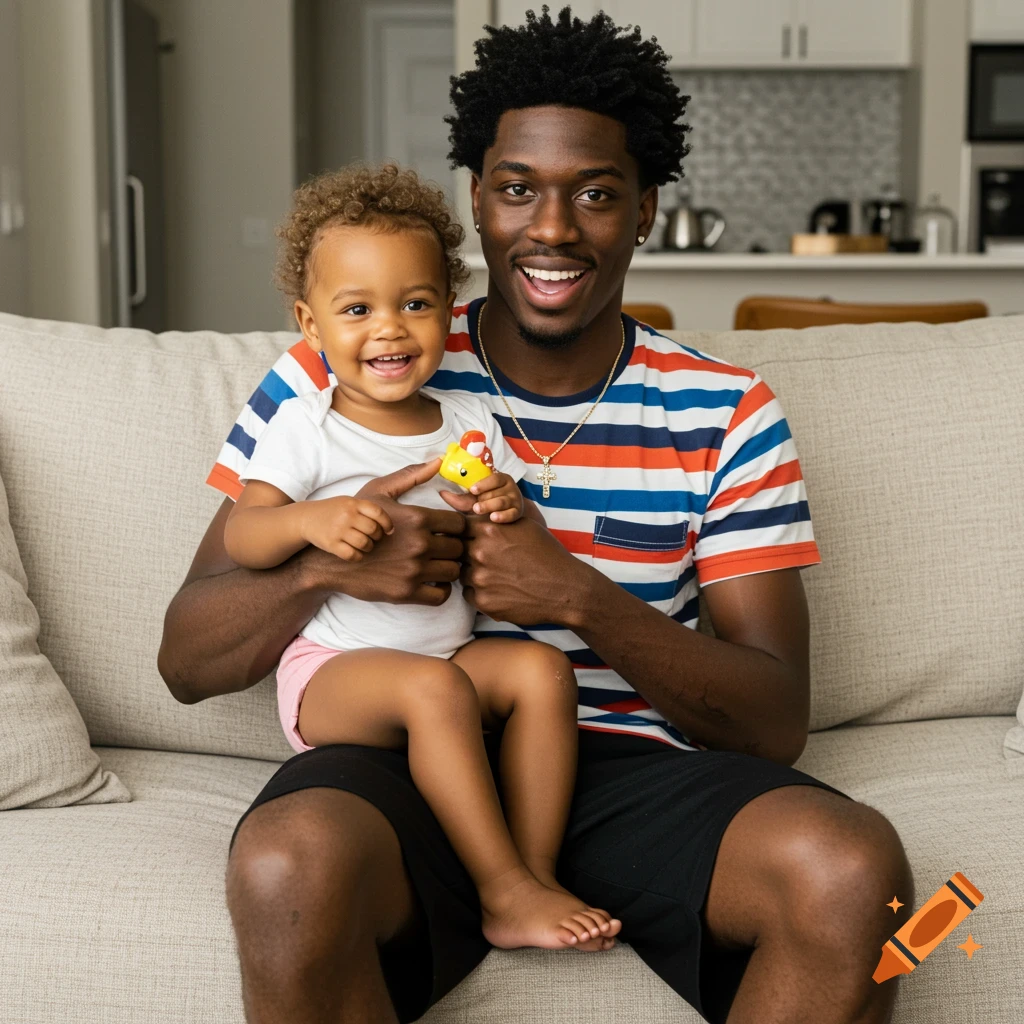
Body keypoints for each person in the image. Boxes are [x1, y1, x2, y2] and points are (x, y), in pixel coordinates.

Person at [159, 9, 914, 1024]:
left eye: (596, 194)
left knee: (858, 872)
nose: (551, 228)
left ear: (646, 210)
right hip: (401, 767)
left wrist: (575, 596)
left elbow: (774, 719)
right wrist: (328, 569)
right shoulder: (347, 367)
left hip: (626, 771)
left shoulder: (724, 408)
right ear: (477, 199)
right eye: (517, 189)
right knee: (288, 864)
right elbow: (186, 659)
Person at [221, 163, 620, 952]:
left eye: (415, 304)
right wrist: (317, 520)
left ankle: (531, 873)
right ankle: (499, 890)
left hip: (449, 654)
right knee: (437, 690)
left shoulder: (468, 419)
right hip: (335, 671)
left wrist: (505, 507)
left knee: (541, 673)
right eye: (358, 309)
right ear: (311, 324)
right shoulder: (306, 426)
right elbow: (244, 534)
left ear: (447, 310)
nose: (390, 330)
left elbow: (506, 538)